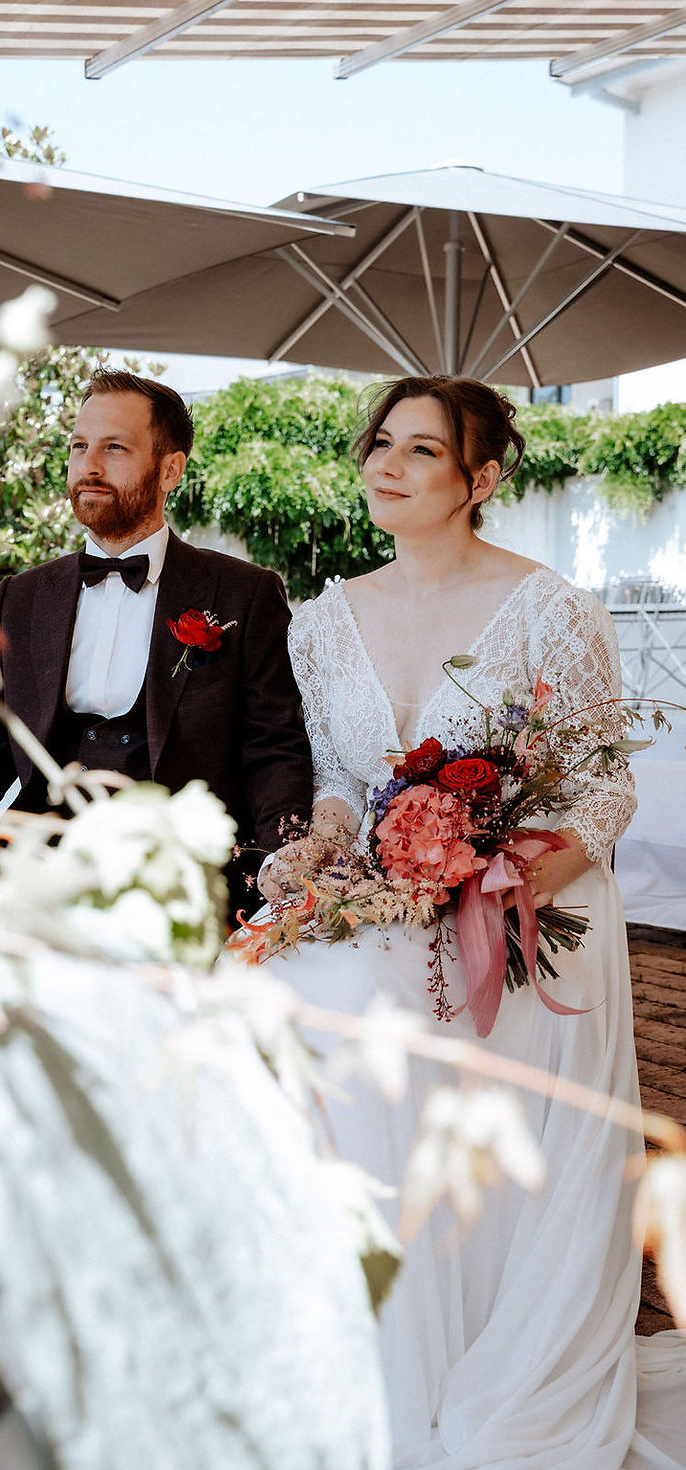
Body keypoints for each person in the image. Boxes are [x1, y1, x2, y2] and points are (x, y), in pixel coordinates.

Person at [257, 375, 686, 1468]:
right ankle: (338, 1345)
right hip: (387, 896)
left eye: (419, 452)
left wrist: (493, 883)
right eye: (377, 445)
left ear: (481, 479)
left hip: (524, 908)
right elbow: (341, 783)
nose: (382, 467)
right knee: (263, 1003)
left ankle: (446, 1352)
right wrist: (316, 851)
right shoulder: (322, 620)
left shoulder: (549, 608)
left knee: (350, 1010)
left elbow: (603, 794)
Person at [0, 368, 313, 914]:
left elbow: (273, 745)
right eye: (79, 446)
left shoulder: (242, 594)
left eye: (114, 448)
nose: (89, 466)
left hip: (183, 878)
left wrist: (280, 863)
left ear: (170, 470)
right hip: (37, 871)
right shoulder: (22, 596)